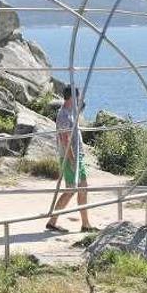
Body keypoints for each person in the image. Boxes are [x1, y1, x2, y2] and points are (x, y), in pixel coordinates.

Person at [45, 86, 96, 233]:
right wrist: (73, 159)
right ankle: (52, 221)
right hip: (69, 157)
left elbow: (83, 105)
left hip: (76, 156)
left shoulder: (71, 111)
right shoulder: (64, 115)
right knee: (71, 190)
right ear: (72, 98)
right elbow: (64, 139)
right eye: (77, 97)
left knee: (82, 188)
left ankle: (86, 224)